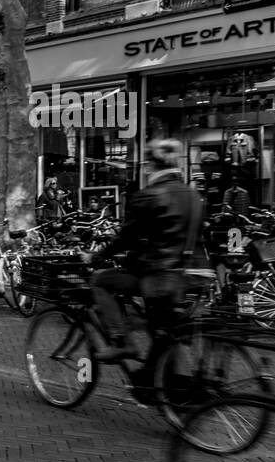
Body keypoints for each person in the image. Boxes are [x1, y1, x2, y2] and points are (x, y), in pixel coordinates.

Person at [83, 139, 202, 364]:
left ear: (150, 166)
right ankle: (165, 383)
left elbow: (126, 238)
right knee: (163, 332)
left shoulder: (149, 195)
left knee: (100, 281)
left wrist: (96, 256)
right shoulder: (193, 196)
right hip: (183, 277)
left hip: (155, 276)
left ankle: (121, 341)